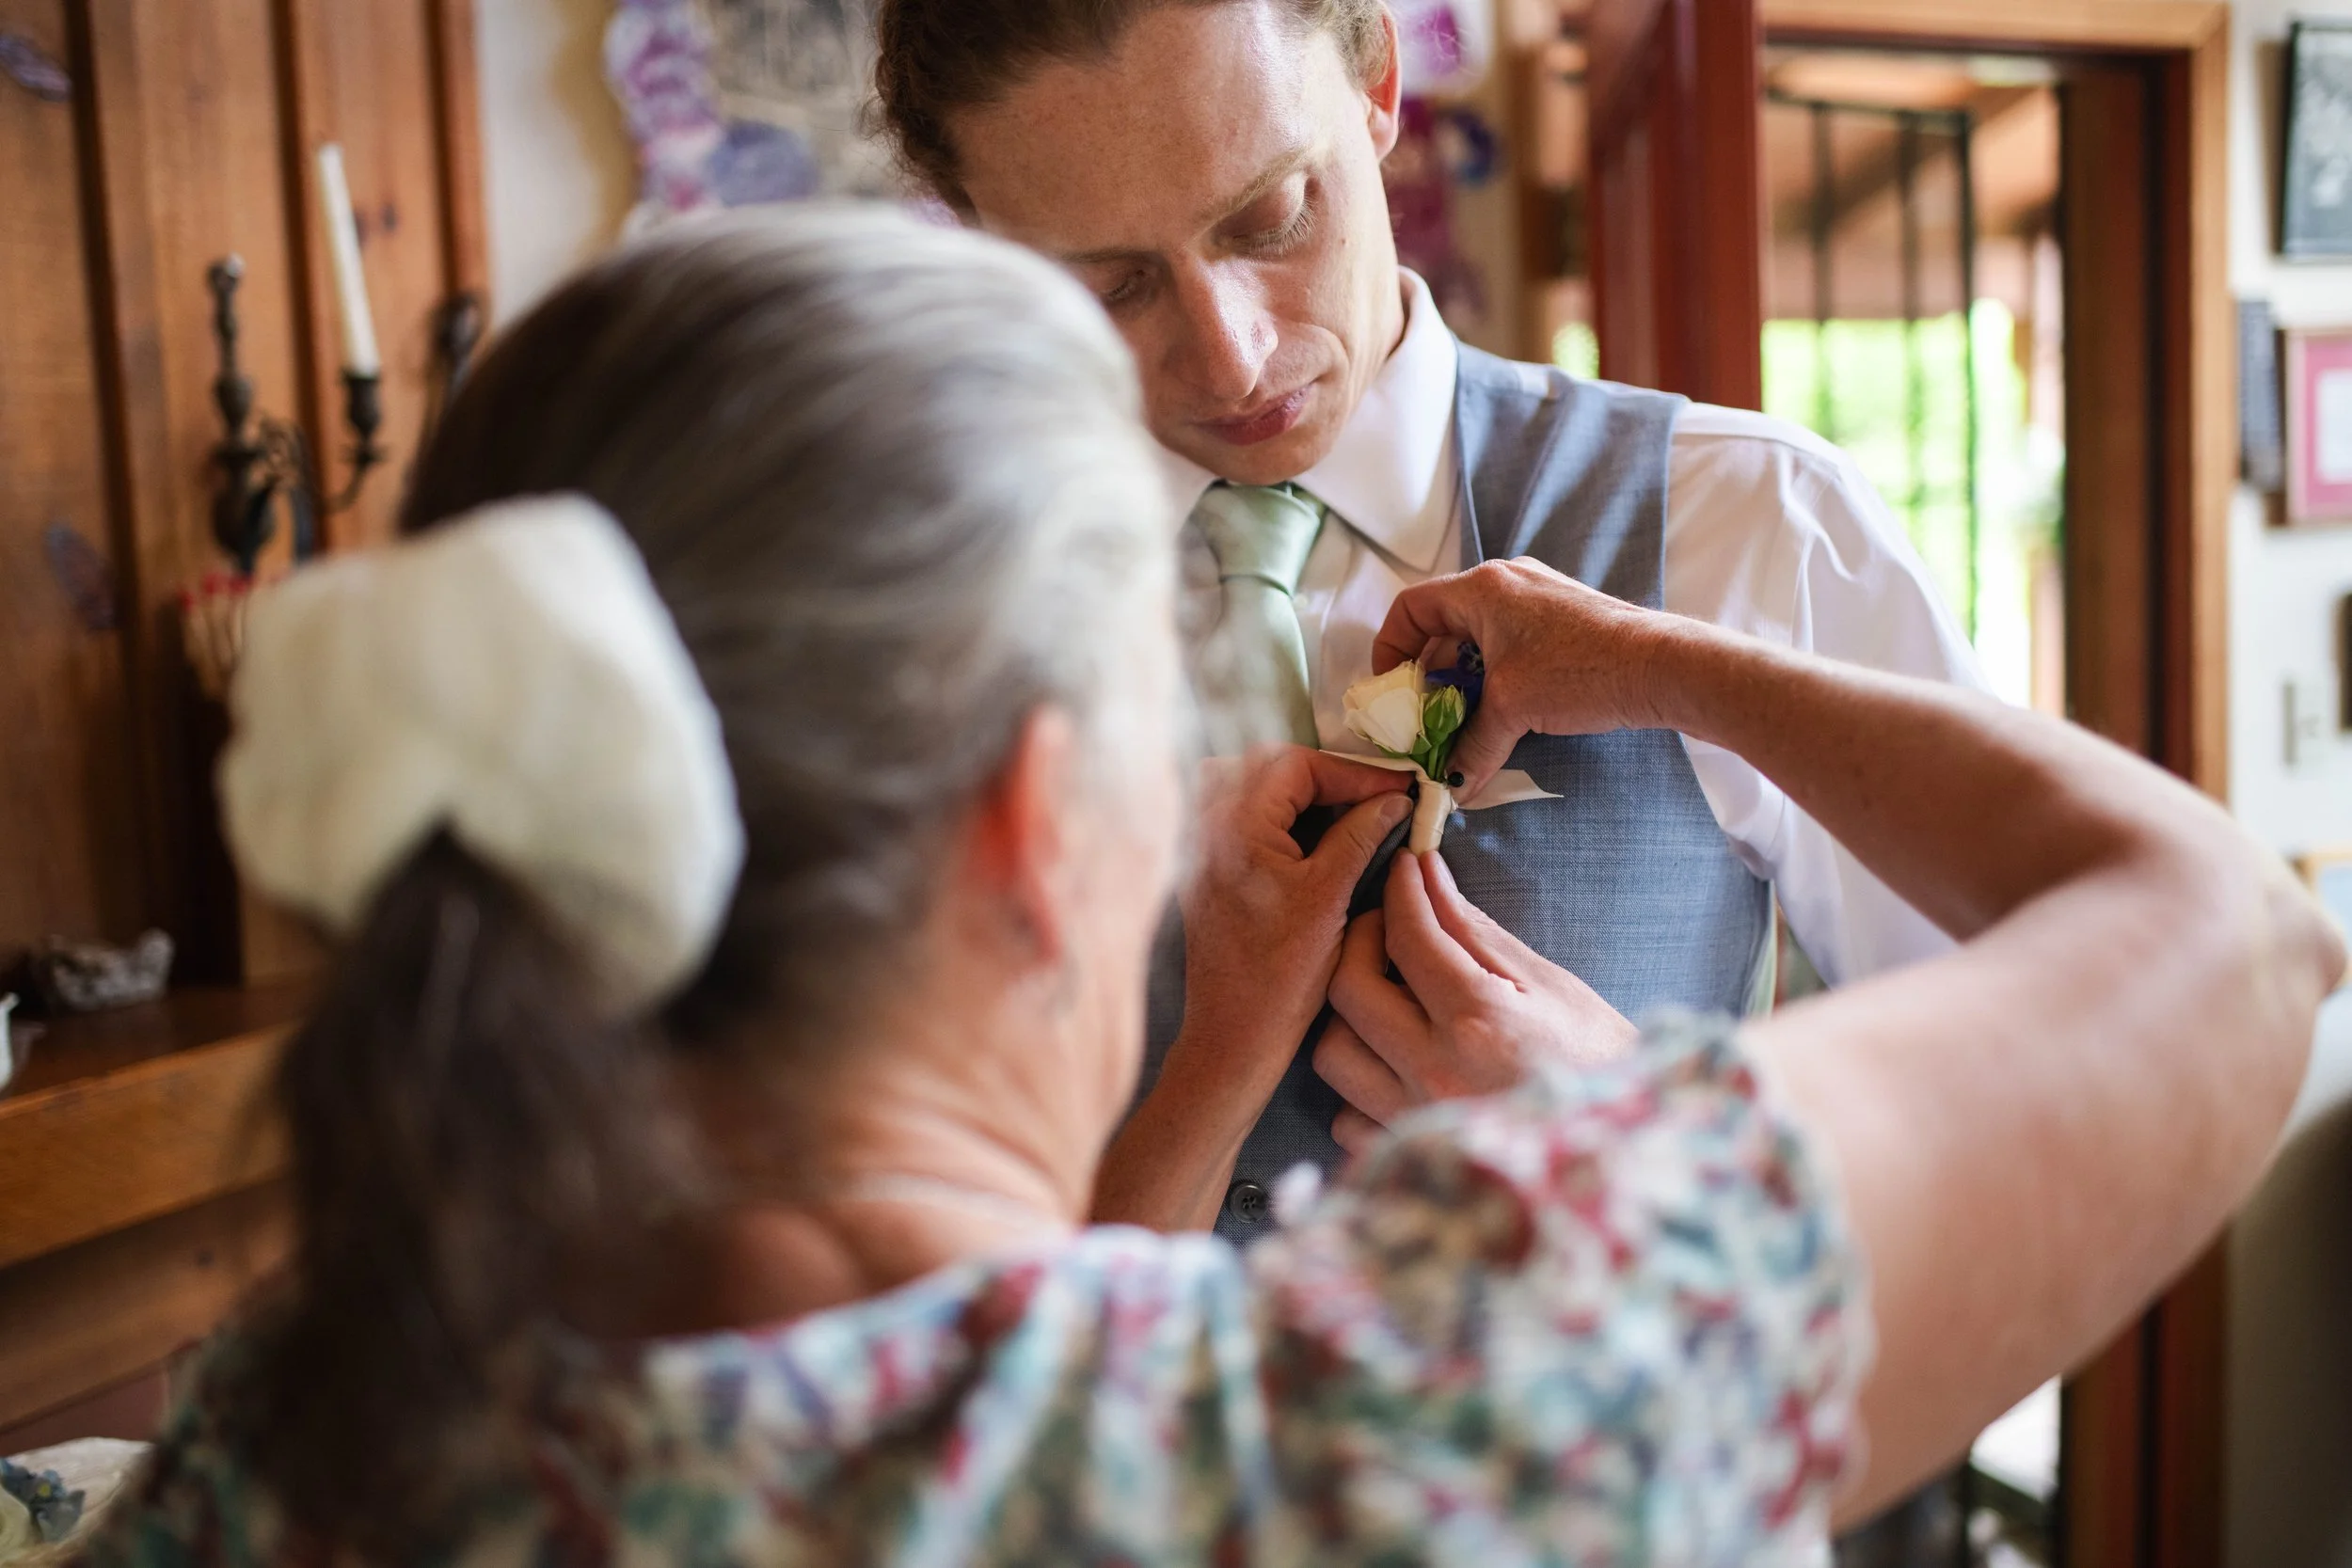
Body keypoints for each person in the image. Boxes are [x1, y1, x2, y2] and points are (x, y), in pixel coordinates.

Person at [68, 208, 2339, 1568]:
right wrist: (1662, 679)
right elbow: (2225, 928)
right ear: (1047, 824)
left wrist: (1213, 1059)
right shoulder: (1409, 1408)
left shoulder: (281, 1434)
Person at [870, 0, 1999, 1239]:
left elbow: (2025, 1097)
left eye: (1270, 214)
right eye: (1113, 283)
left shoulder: (1757, 524)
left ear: (1376, 79)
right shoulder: (917, 622)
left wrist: (1656, 1133)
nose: (1233, 357)